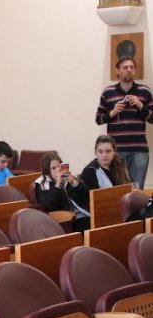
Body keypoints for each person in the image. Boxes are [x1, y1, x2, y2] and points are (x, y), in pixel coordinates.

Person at [96, 56, 153, 189]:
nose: (129, 70)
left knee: (137, 191)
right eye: (125, 67)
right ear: (117, 70)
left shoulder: (144, 91)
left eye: (132, 67)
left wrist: (140, 105)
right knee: (117, 190)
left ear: (135, 70)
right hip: (115, 151)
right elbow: (98, 119)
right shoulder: (108, 92)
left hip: (139, 151)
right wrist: (113, 112)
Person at [33, 152, 91, 232]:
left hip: (83, 214)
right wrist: (57, 184)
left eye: (59, 167)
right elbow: (49, 206)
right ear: (47, 171)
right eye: (53, 168)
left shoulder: (68, 178)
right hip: (67, 221)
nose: (58, 170)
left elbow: (87, 196)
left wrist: (74, 183)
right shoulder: (42, 185)